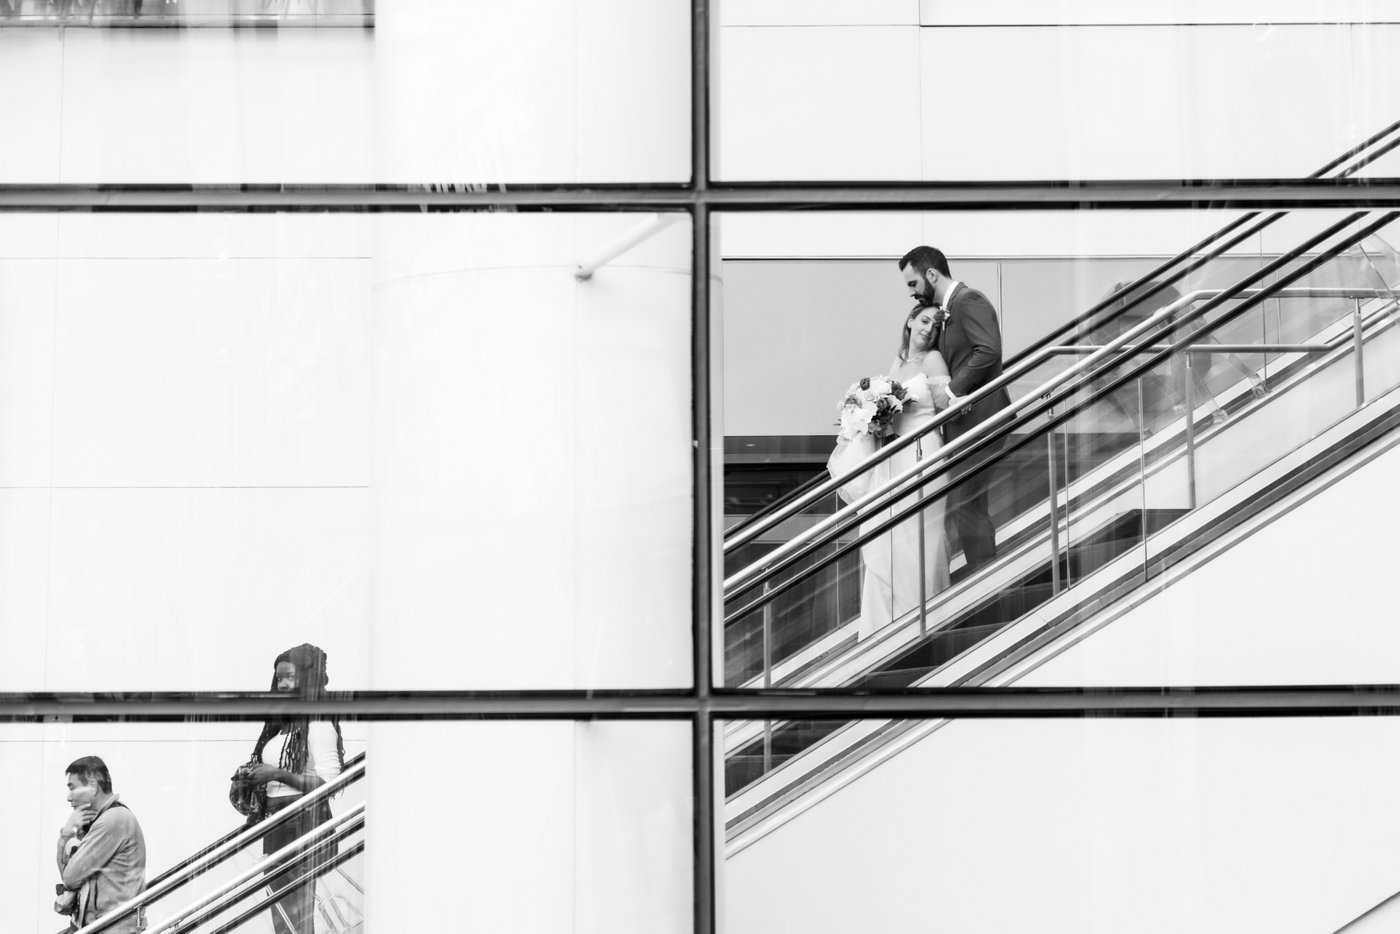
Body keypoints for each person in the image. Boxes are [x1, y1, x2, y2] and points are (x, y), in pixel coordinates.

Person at [828, 306, 952, 639]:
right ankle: (883, 630)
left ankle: (924, 623)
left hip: (922, 453)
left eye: (936, 326)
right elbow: (885, 403)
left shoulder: (933, 360)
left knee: (920, 538)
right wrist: (874, 417)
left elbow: (945, 405)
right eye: (924, 321)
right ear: (910, 321)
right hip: (893, 456)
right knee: (888, 538)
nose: (929, 329)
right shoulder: (898, 361)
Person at [898, 246, 1011, 572]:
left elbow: (989, 350)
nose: (911, 293)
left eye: (913, 283)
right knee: (967, 505)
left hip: (983, 420)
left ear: (931, 274)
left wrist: (950, 390)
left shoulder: (968, 300)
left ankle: (985, 581)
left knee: (966, 505)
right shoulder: (946, 311)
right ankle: (982, 580)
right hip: (966, 424)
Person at [234, 643, 346, 934]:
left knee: (299, 915)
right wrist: (249, 777)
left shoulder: (318, 721)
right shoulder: (281, 727)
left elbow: (330, 782)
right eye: (278, 678)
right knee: (281, 916)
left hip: (303, 824)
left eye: (289, 677)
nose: (282, 684)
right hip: (276, 825)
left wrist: (277, 774)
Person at [55, 755, 147, 934]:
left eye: (72, 787)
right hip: (98, 927)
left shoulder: (113, 820)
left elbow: (70, 877)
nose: (68, 797)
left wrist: (67, 835)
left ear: (93, 786)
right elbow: (68, 878)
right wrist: (64, 839)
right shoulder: (99, 821)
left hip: (113, 929)